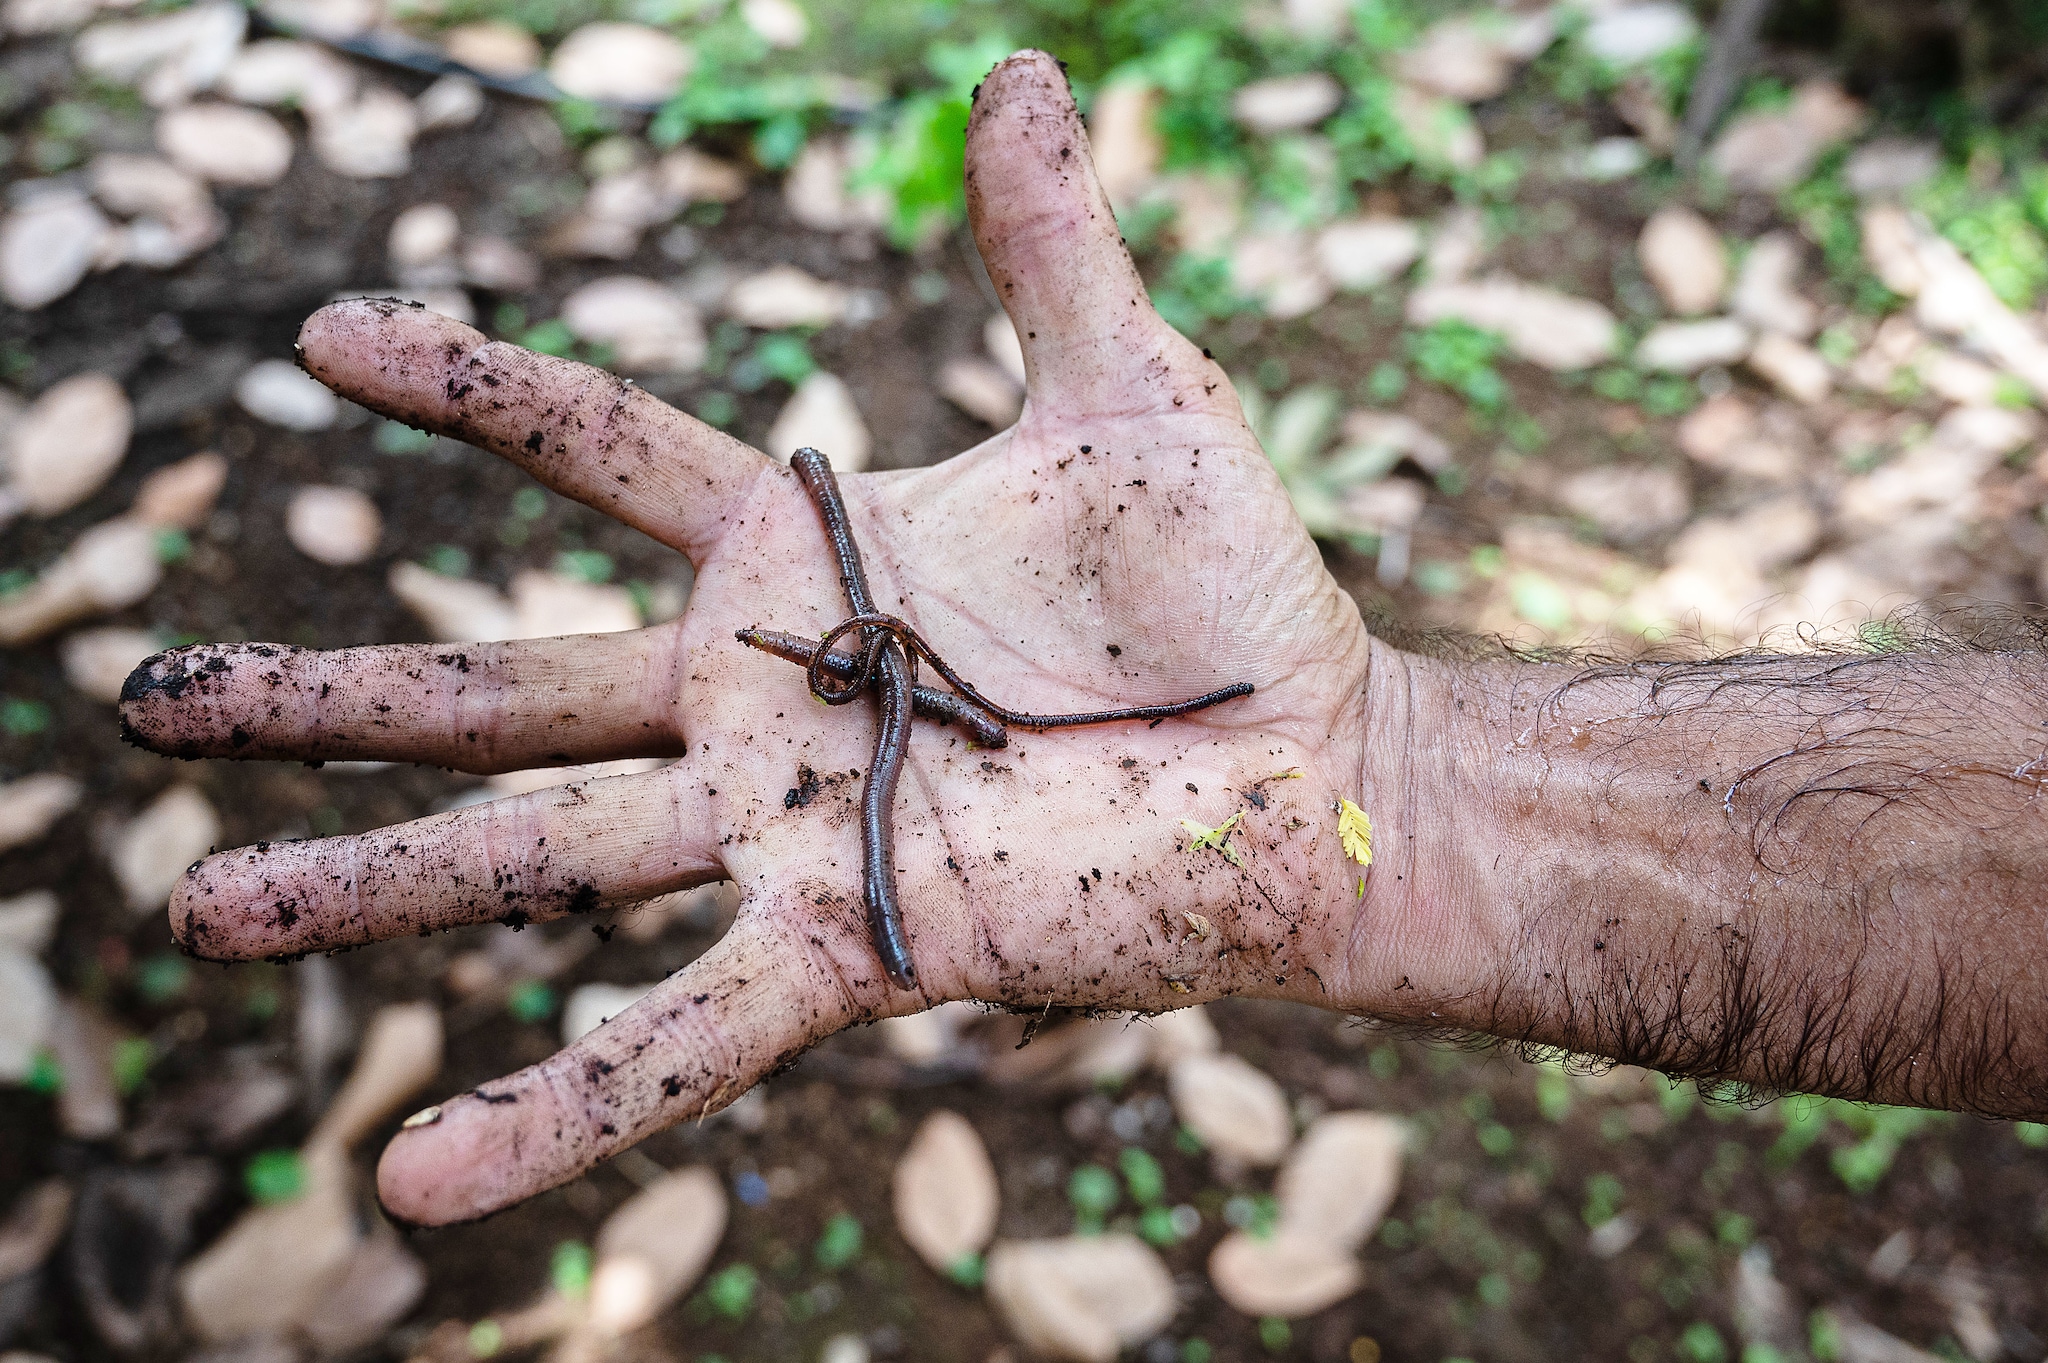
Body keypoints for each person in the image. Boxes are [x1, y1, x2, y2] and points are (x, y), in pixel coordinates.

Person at [120, 51, 2048, 1228]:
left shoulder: (896, 674)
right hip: (966, 729)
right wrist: (1396, 779)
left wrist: (1378, 779)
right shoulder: (868, 662)